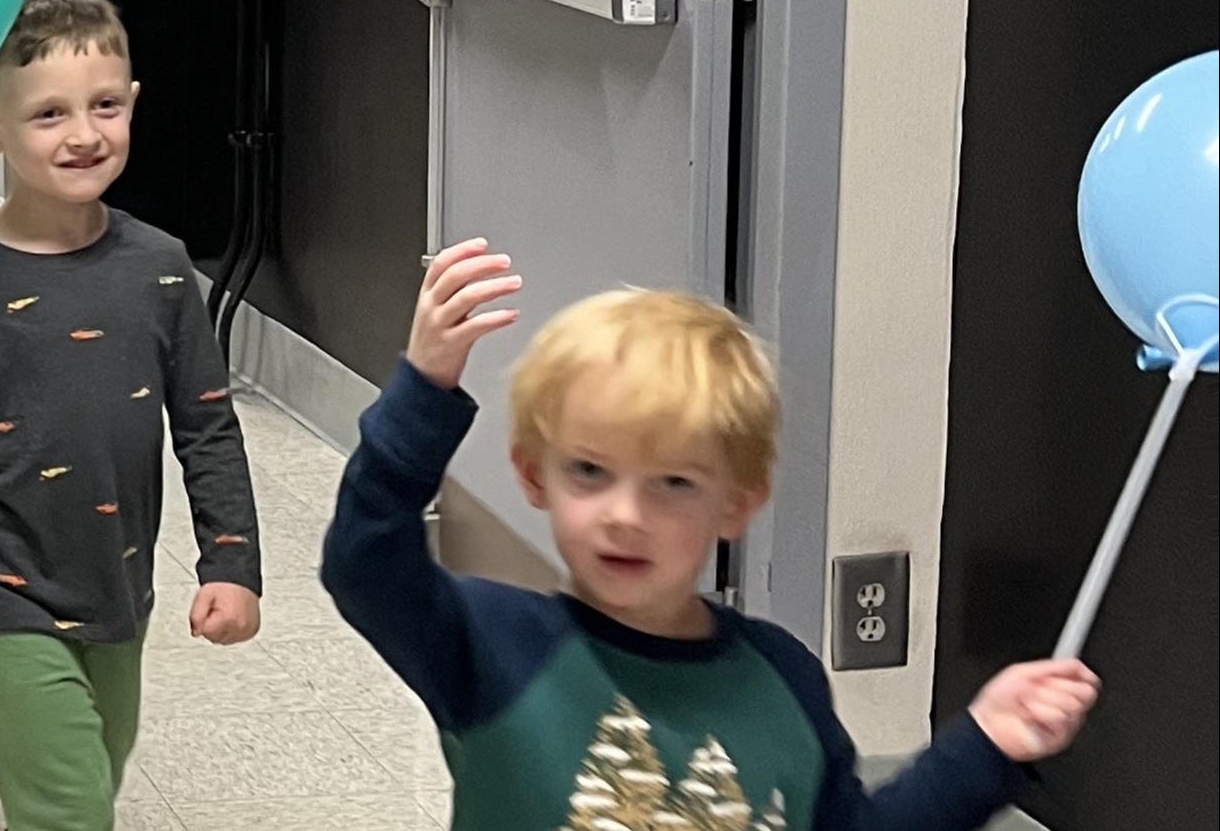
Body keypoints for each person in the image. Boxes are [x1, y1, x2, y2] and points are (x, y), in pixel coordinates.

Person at [321, 241, 1103, 830]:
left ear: (737, 502)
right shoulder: (487, 642)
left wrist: (983, 744)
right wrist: (422, 392)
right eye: (589, 471)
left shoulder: (782, 678)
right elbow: (363, 562)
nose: (625, 512)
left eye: (672, 482)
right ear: (534, 477)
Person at [0, 0, 263, 831]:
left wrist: (232, 564)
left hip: (118, 581)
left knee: (94, 776)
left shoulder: (163, 269)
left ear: (132, 103)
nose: (85, 134)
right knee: (66, 811)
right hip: (8, 586)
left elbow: (208, 427)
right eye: (49, 114)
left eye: (104, 105)